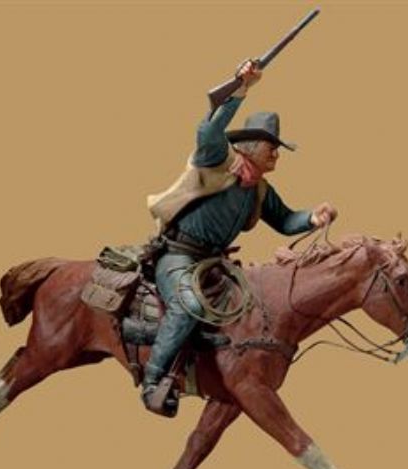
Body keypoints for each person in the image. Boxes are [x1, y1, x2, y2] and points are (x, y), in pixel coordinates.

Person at [143, 60, 337, 417]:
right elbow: (207, 130)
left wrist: (313, 217)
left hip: (215, 263)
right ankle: (152, 381)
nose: (276, 153)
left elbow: (285, 220)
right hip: (179, 255)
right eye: (271, 146)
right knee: (189, 306)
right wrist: (242, 87)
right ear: (249, 146)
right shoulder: (217, 158)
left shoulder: (260, 189)